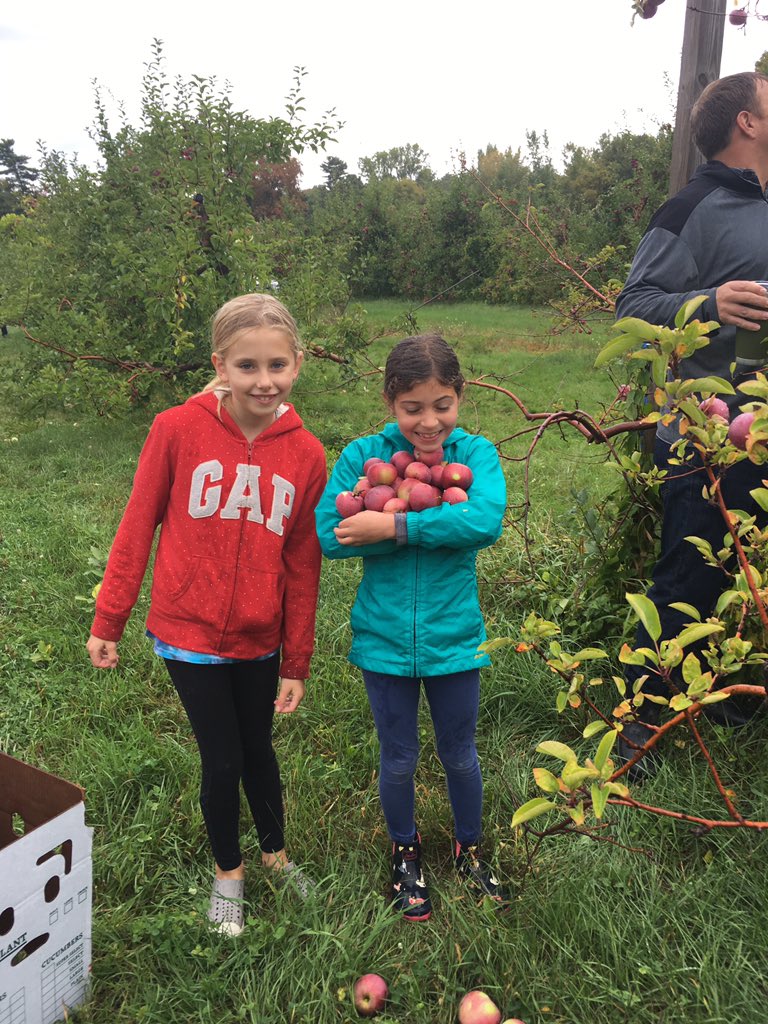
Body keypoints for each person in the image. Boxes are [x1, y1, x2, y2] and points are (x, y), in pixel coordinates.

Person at [86, 293, 327, 935]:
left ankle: (275, 856)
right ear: (220, 363)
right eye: (247, 366)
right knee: (222, 758)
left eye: (277, 364)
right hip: (187, 633)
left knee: (260, 751)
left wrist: (296, 659)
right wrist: (109, 619)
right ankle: (229, 874)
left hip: (260, 638)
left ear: (297, 363)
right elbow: (138, 525)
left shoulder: (306, 454)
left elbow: (304, 564)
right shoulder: (176, 430)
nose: (264, 380)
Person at [315, 334, 508, 921]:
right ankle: (405, 850)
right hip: (385, 638)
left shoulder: (475, 457)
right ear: (390, 401)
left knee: (460, 752)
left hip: (455, 636)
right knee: (397, 756)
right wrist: (374, 516)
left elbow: (486, 519)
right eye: (412, 408)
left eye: (442, 405)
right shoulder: (362, 458)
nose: (429, 422)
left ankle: (469, 845)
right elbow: (330, 532)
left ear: (460, 397)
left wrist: (395, 529)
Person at [614, 71, 768, 779]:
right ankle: (639, 727)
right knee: (687, 572)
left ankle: (733, 705)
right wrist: (709, 302)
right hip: (709, 434)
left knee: (751, 570)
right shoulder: (692, 206)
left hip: (762, 422)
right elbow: (633, 307)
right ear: (748, 122)